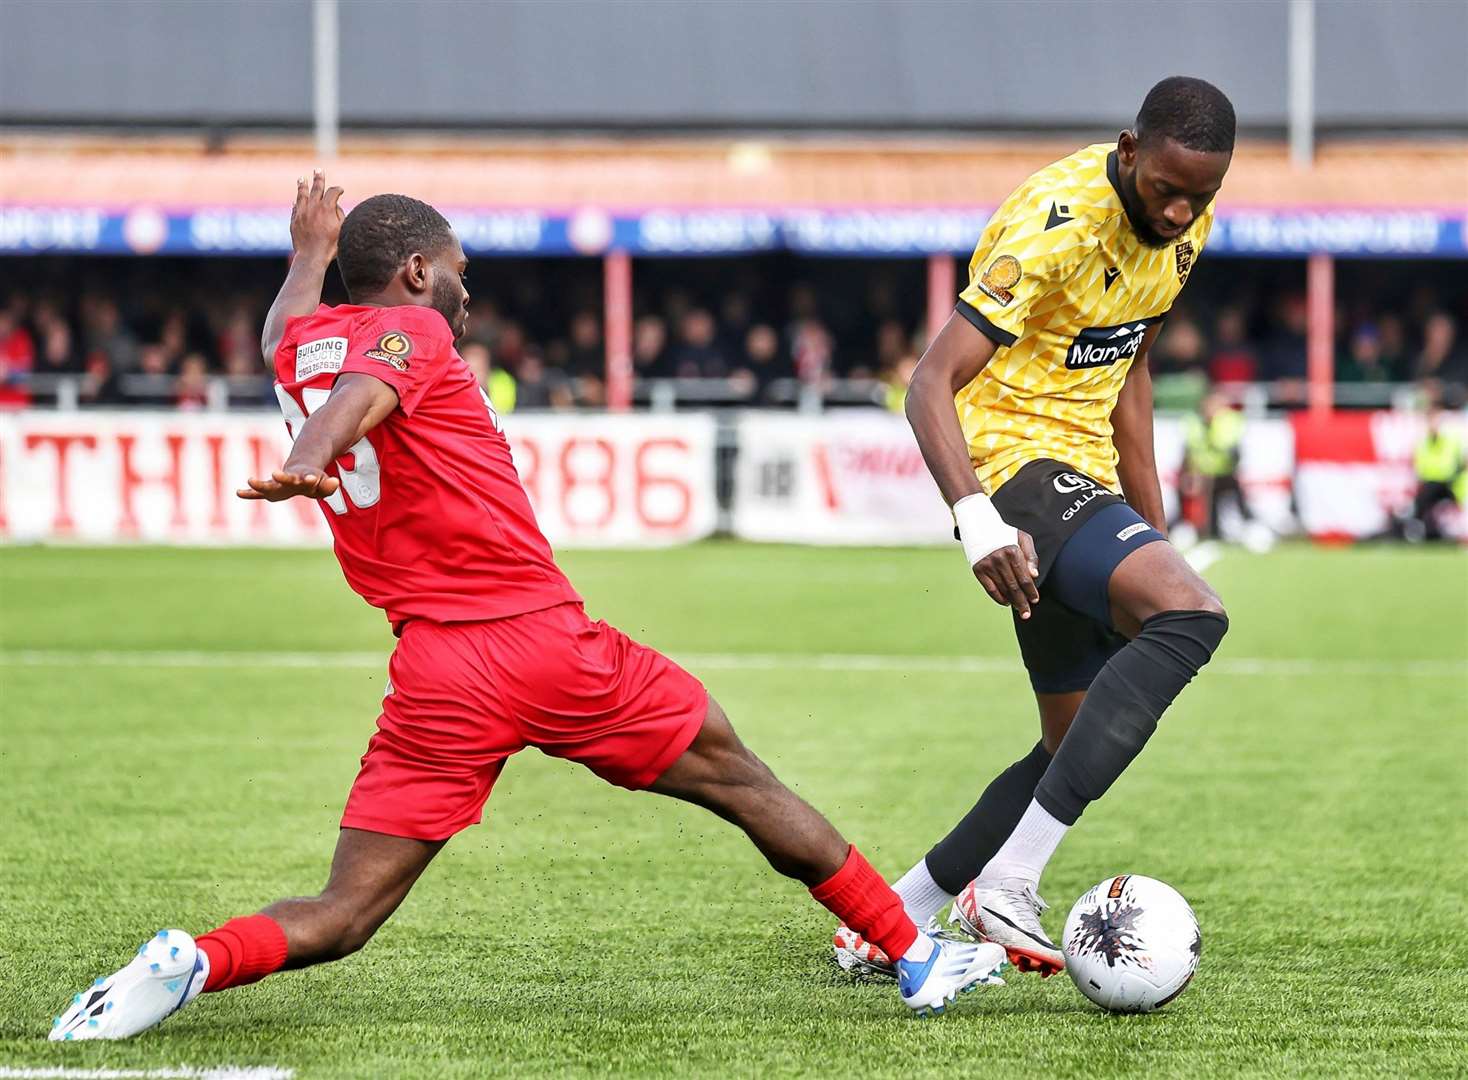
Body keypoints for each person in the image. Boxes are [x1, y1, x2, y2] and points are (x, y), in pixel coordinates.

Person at [49, 174, 1005, 1043]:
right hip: (540, 643)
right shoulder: (411, 334)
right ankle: (914, 955)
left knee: (345, 914)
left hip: (432, 671)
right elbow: (368, 388)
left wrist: (306, 259)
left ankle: (194, 961)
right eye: (460, 270)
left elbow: (287, 343)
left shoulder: (298, 344)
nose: (469, 290)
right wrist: (311, 458)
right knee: (742, 782)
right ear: (418, 272)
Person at [832, 77, 1232, 980]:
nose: (1177, 211)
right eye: (1165, 187)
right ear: (1129, 149)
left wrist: (1152, 526)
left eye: (1198, 196)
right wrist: (976, 518)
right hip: (1011, 470)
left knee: (1070, 740)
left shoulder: (1189, 222)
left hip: (1083, 478)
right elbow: (929, 381)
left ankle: (891, 916)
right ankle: (1007, 884)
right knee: (1194, 615)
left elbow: (1130, 370)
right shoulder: (1053, 222)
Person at [1178, 391, 1252, 540]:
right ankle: (1188, 526)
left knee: (1235, 497)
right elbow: (1189, 450)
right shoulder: (1193, 422)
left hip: (1225, 473)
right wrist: (1191, 473)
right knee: (1183, 489)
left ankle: (1249, 527)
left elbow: (1232, 452)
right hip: (1200, 474)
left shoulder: (1230, 421)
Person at [1403, 405, 1465, 542]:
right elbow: (1420, 467)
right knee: (1421, 499)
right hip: (1431, 484)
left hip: (1452, 483)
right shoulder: (1422, 443)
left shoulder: (1451, 441)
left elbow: (1459, 464)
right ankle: (1416, 530)